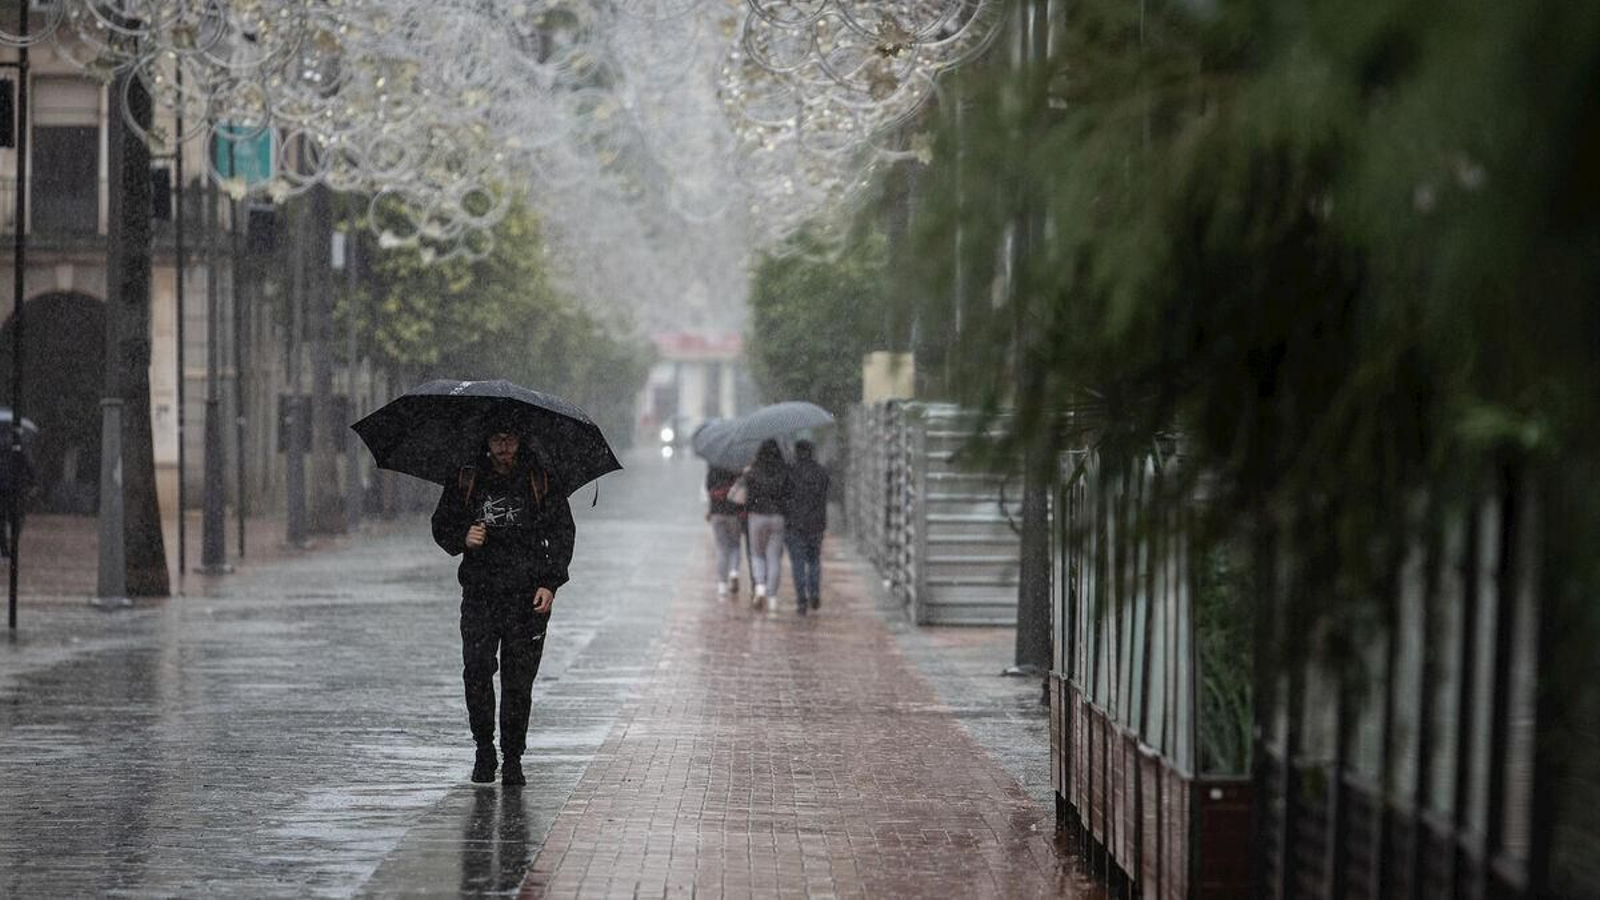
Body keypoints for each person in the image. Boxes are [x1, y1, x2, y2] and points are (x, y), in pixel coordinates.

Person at [432, 427, 576, 787]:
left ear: (520, 441)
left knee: (518, 681)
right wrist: (462, 536)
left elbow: (562, 531)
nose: (503, 448)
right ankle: (484, 748)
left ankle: (513, 757)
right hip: (480, 594)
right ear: (486, 442)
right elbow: (441, 524)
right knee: (477, 671)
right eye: (496, 440)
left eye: (510, 439)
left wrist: (550, 583)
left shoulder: (540, 478)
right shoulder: (467, 478)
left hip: (526, 598)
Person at [742, 439, 790, 609]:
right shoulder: (784, 472)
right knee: (774, 557)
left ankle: (760, 587)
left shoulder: (752, 472)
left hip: (757, 517)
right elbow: (788, 495)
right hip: (777, 517)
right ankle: (772, 598)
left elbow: (746, 498)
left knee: (757, 554)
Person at [784, 440, 829, 614]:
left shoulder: (790, 473)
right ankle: (815, 592)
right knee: (814, 560)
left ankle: (801, 599)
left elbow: (783, 496)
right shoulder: (821, 472)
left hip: (795, 524)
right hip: (816, 523)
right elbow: (824, 494)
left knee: (798, 563)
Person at [705, 464, 744, 597]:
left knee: (722, 549)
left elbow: (709, 490)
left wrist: (710, 509)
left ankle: (722, 585)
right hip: (734, 513)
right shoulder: (738, 467)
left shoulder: (713, 467)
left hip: (717, 513)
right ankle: (734, 572)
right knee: (735, 545)